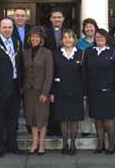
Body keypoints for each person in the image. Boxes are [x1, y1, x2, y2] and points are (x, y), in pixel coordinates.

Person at [0, 17, 24, 158]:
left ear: (13, 28)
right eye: (4, 27)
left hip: (15, 87)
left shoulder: (17, 43)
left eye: (10, 27)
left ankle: (12, 145)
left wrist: (21, 86)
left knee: (13, 119)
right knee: (0, 119)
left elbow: (20, 66)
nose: (7, 30)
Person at [84, 29, 115, 155]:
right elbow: (85, 73)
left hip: (110, 92)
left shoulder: (114, 51)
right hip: (94, 92)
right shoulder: (89, 51)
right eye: (97, 37)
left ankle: (111, 145)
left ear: (106, 38)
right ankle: (100, 144)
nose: (99, 38)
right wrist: (85, 91)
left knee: (108, 120)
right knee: (97, 119)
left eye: (101, 36)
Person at [51, 29, 84, 155]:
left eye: (70, 37)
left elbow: (84, 75)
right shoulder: (56, 54)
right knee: (63, 119)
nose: (67, 39)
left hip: (76, 92)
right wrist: (52, 92)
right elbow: (53, 73)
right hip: (60, 91)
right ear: (61, 40)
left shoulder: (81, 54)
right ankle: (64, 144)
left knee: (74, 119)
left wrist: (84, 92)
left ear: (74, 39)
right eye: (65, 37)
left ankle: (73, 144)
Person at [23, 26, 53, 155]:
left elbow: (49, 74)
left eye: (37, 37)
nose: (34, 39)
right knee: (32, 118)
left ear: (41, 39)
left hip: (41, 91)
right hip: (29, 91)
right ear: (30, 39)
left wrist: (45, 92)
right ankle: (34, 142)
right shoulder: (25, 52)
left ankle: (41, 144)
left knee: (42, 118)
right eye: (32, 37)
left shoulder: (47, 52)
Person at [44, 7, 66, 136]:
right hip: (50, 68)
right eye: (54, 17)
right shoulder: (46, 33)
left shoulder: (68, 32)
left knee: (61, 98)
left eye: (59, 17)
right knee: (51, 98)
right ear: (51, 19)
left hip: (63, 69)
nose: (57, 19)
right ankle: (51, 128)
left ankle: (61, 128)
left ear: (63, 19)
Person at [76, 18, 99, 137]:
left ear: (95, 27)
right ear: (83, 29)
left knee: (97, 103)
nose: (89, 29)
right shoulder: (79, 43)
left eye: (91, 26)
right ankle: (86, 129)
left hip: (98, 77)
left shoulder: (100, 41)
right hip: (82, 76)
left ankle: (98, 129)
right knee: (84, 104)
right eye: (87, 27)